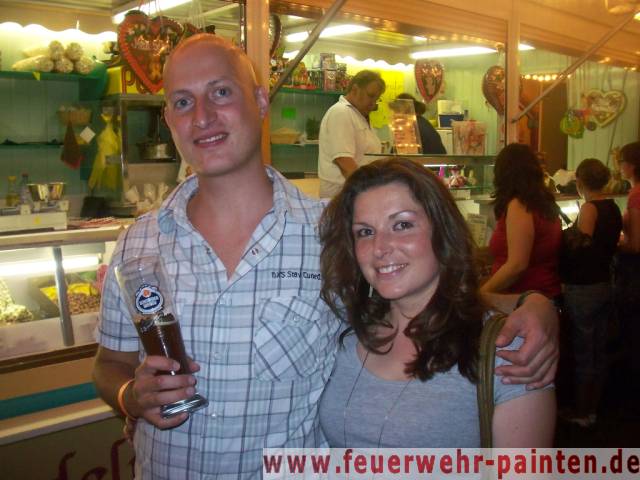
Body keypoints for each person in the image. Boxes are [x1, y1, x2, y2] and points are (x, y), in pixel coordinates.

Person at [93, 34, 558, 478]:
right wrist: (130, 395)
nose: (202, 116)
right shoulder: (139, 243)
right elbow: (109, 363)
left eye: (220, 92)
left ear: (260, 102)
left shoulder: (330, 234)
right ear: (169, 120)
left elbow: (422, 294)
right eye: (182, 102)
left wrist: (535, 306)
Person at [318, 158, 556, 447]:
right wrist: (536, 302)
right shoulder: (346, 334)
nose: (379, 248)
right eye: (365, 232)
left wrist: (539, 304)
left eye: (402, 225)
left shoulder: (508, 351)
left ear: (443, 231)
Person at [559, 158, 622, 427]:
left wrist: (565, 234)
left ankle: (582, 412)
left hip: (584, 288)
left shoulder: (589, 208)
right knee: (599, 350)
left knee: (584, 352)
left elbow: (581, 247)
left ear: (580, 182)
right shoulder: (613, 207)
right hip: (605, 284)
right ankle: (595, 408)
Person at [480, 143, 562, 302]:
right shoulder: (543, 202)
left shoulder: (519, 205)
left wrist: (482, 293)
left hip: (525, 298)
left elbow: (517, 265)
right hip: (543, 294)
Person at [318, 70, 385, 198]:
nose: (373, 103)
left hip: (357, 191)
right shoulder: (341, 112)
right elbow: (343, 161)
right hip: (343, 194)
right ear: (355, 89)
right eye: (370, 96)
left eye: (376, 99)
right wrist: (366, 190)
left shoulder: (358, 115)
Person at [612, 141, 640, 395]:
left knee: (632, 330)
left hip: (634, 272)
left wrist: (614, 243)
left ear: (631, 165)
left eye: (621, 161)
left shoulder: (636, 194)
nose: (619, 166)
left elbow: (635, 244)